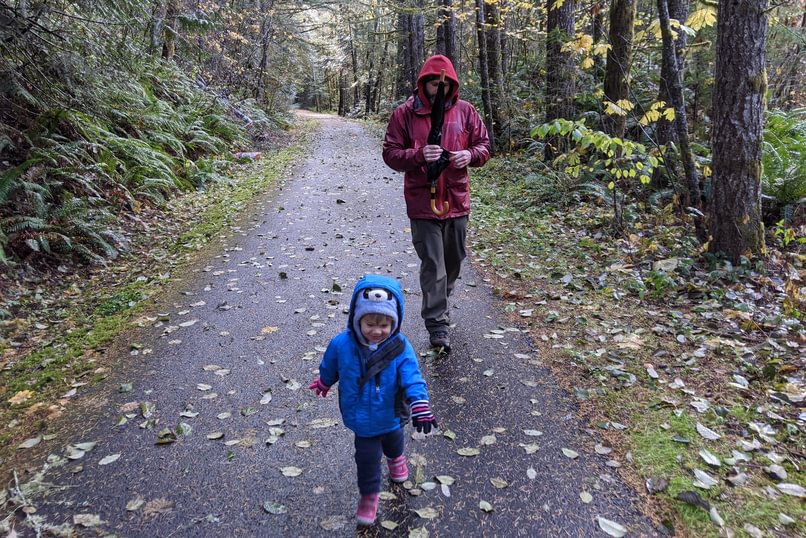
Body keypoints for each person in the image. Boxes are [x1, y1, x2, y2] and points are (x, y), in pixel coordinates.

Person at [308, 274, 437, 526]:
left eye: (384, 325)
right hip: (361, 418)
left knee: (393, 440)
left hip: (390, 411)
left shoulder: (400, 347)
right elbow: (331, 365)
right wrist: (325, 381)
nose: (377, 331)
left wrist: (420, 403)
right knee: (366, 458)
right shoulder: (342, 344)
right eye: (370, 324)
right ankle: (369, 496)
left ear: (395, 322)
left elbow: (412, 376)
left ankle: (396, 460)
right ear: (357, 319)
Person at [382, 54, 491, 351]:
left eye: (442, 83)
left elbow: (483, 145)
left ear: (451, 83)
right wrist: (418, 156)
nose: (437, 88)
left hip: (456, 199)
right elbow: (391, 153)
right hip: (422, 201)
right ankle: (437, 324)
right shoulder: (404, 114)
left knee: (453, 261)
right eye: (432, 82)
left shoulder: (466, 112)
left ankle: (440, 298)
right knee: (434, 264)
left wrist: (470, 155)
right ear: (423, 82)